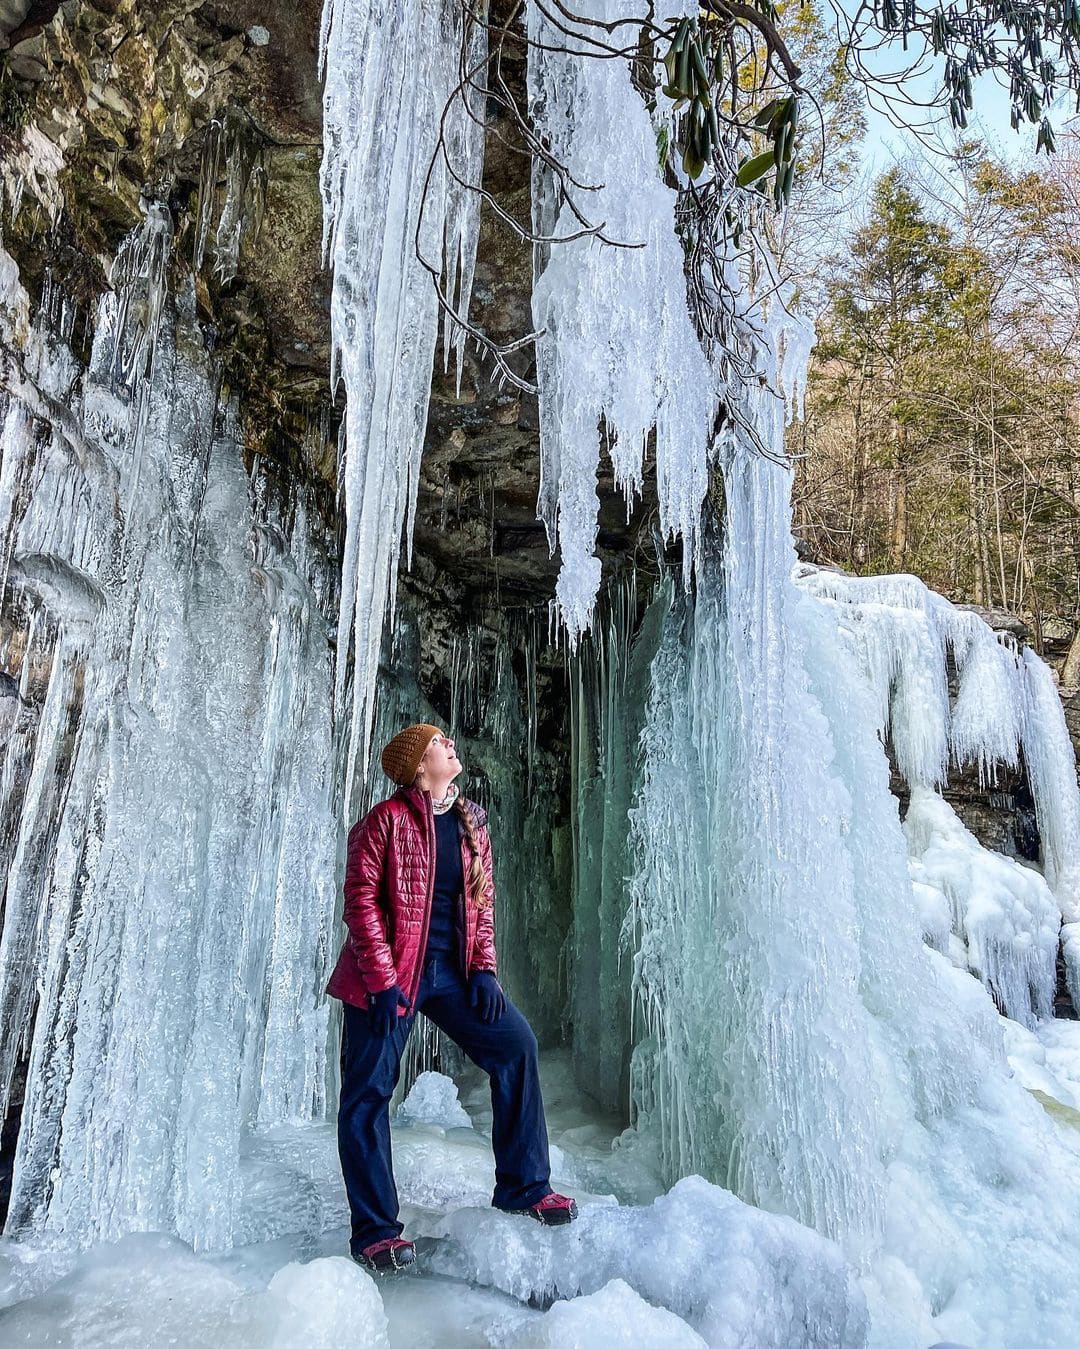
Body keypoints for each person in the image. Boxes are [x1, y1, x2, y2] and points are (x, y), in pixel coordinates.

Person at [326, 722, 578, 1272]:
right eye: (440, 742)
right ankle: (375, 1232)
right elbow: (361, 904)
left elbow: (482, 902)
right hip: (389, 977)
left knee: (516, 1047)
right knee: (368, 1093)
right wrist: (382, 978)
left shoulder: (472, 821)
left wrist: (484, 969)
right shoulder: (383, 823)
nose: (451, 746)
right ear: (420, 764)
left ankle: (524, 1187)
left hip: (453, 975)